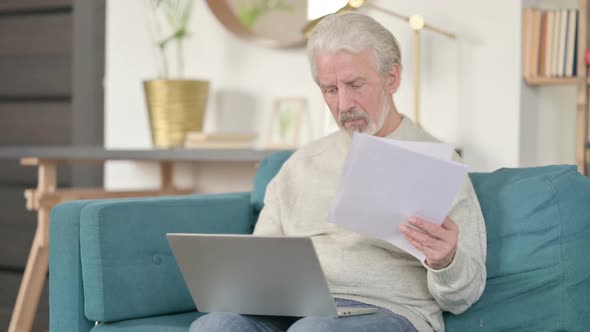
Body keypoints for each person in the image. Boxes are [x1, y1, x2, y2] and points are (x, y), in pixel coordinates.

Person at [189, 12, 486, 332]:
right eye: (330, 90)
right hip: (295, 309)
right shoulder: (300, 165)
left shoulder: (437, 165)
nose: (344, 104)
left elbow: (463, 295)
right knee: (215, 326)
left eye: (355, 85)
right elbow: (260, 267)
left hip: (388, 310)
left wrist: (446, 261)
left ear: (392, 78)